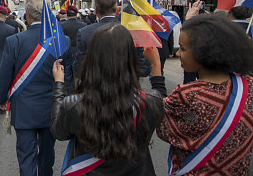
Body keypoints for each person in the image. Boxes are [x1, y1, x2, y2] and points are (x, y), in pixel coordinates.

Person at [51, 23, 165, 175]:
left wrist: (59, 84)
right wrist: (156, 67)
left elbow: (59, 132)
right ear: (130, 58)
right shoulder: (150, 102)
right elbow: (163, 111)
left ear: (91, 58)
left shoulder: (74, 105)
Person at [156, 12, 253, 175]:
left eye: (184, 49)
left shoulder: (188, 96)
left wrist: (156, 70)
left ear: (204, 52)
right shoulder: (248, 86)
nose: (178, 54)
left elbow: (157, 119)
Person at [0, 0, 71, 176]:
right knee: (47, 156)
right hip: (51, 109)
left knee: (26, 158)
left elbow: (4, 75)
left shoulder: (14, 41)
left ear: (27, 14)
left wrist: (1, 99)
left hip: (24, 110)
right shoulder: (63, 41)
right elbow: (67, 77)